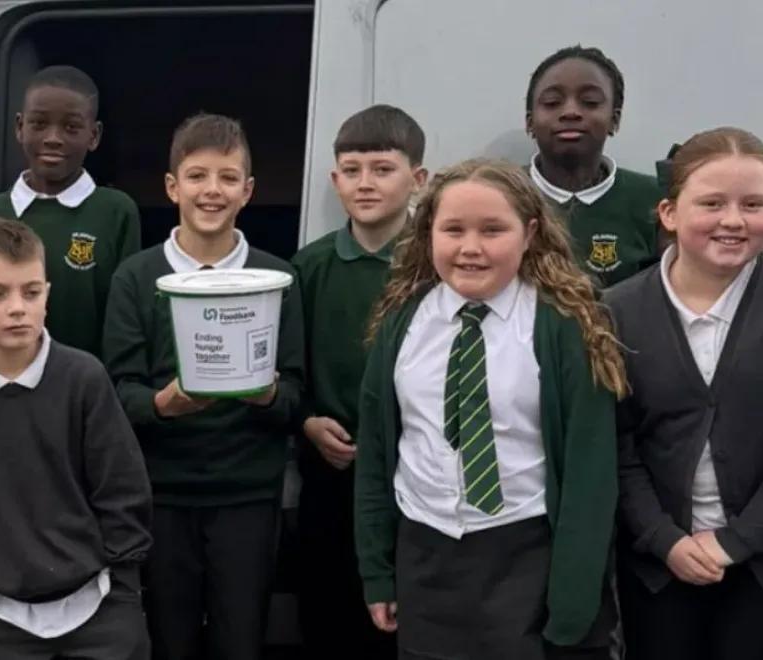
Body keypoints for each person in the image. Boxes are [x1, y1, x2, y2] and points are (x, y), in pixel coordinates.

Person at [354, 158, 626, 659]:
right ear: (428, 234)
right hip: (425, 556)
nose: (471, 247)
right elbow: (373, 455)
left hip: (527, 557)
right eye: (453, 230)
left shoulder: (564, 326)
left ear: (530, 233)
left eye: (493, 230)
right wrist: (377, 571)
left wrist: (573, 600)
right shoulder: (402, 325)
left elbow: (590, 477)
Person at [103, 113, 304, 660]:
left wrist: (265, 394)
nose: (212, 190)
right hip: (161, 494)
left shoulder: (277, 279)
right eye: (197, 176)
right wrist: (164, 405)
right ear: (172, 187)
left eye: (227, 177)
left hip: (248, 495)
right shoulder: (136, 278)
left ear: (248, 191)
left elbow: (295, 395)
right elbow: (119, 393)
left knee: (242, 640)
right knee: (170, 642)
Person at [0, 218, 154, 659]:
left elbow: (123, 491)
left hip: (101, 610)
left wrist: (122, 586)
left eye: (31, 292)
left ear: (47, 294)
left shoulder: (84, 377)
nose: (18, 308)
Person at [607, 127, 763, 660]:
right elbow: (617, 442)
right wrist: (662, 539)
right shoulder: (616, 312)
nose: (733, 220)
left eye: (753, 204)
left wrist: (738, 540)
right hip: (657, 566)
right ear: (669, 212)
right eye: (712, 203)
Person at [289, 103, 427, 659]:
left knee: (408, 623)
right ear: (334, 179)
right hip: (333, 474)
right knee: (331, 617)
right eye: (352, 170)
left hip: (418, 478)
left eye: (382, 169)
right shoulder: (308, 268)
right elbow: (287, 369)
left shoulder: (437, 264)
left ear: (418, 178)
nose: (365, 183)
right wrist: (307, 421)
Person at [0, 65, 141, 356]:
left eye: (71, 128)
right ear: (19, 127)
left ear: (94, 135)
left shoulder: (115, 211)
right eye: (39, 124)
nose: (53, 138)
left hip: (89, 378)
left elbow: (125, 315)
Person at [524, 45, 663, 287]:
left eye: (590, 102)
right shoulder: (498, 194)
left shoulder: (655, 201)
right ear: (530, 122)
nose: (570, 112)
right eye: (552, 102)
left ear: (614, 120)